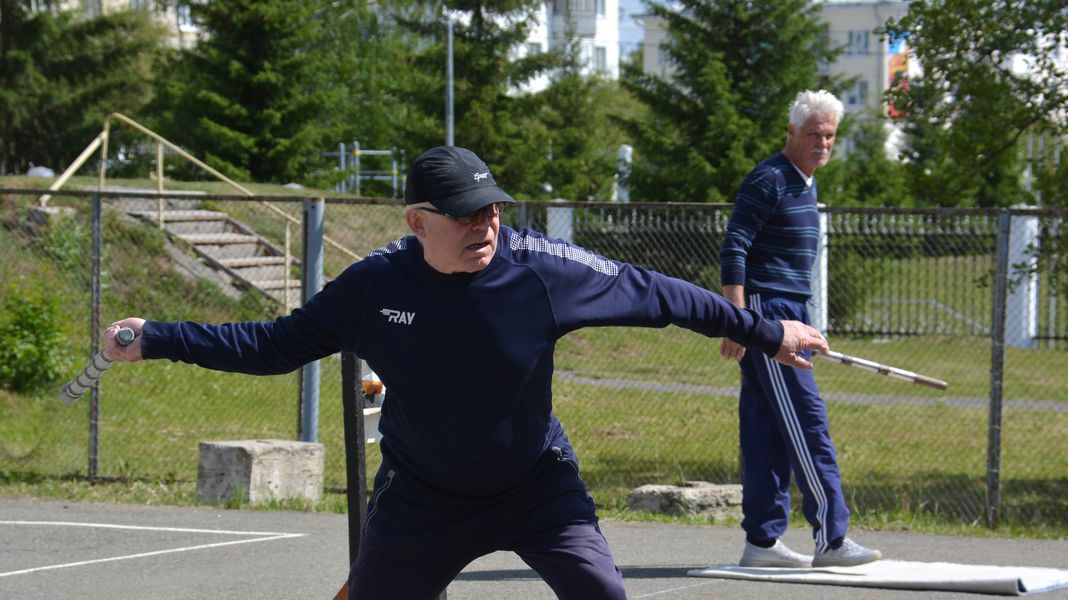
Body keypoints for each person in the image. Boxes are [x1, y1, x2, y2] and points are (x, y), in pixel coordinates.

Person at [106, 144, 830, 599]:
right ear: (419, 221)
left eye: (491, 210)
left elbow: (663, 295)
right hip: (425, 499)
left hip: (537, 486)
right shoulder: (373, 287)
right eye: (464, 215)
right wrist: (160, 337)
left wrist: (768, 334)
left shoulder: (542, 270)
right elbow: (271, 347)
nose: (485, 224)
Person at [719, 90, 882, 568]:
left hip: (790, 311)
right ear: (791, 133)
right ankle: (831, 538)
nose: (822, 143)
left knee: (767, 427)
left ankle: (762, 544)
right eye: (813, 134)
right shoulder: (769, 178)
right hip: (767, 315)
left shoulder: (805, 184)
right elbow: (735, 247)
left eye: (830, 135)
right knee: (808, 424)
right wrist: (740, 320)